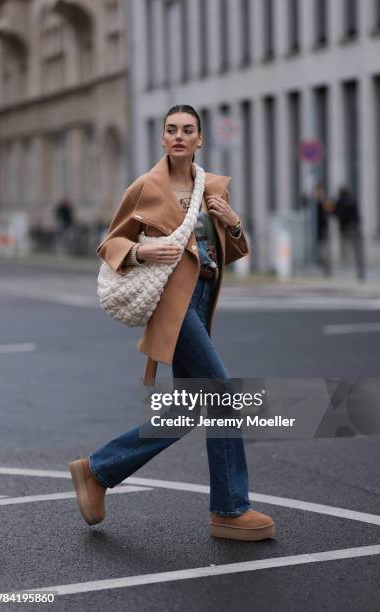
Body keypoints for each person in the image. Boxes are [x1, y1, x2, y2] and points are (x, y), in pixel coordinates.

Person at [69, 105, 275, 541]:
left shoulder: (212, 188)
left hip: (202, 299)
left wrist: (233, 223)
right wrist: (143, 252)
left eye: (187, 130)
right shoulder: (146, 187)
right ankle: (231, 508)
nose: (179, 136)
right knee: (223, 396)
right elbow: (111, 243)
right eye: (171, 130)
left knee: (186, 409)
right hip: (171, 302)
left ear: (200, 139)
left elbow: (231, 252)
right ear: (163, 139)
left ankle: (97, 471)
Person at [333, 185, 365, 281]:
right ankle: (360, 270)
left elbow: (336, 213)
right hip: (354, 227)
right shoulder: (352, 200)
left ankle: (346, 262)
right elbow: (357, 214)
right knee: (357, 250)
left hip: (345, 228)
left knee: (345, 248)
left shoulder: (340, 201)